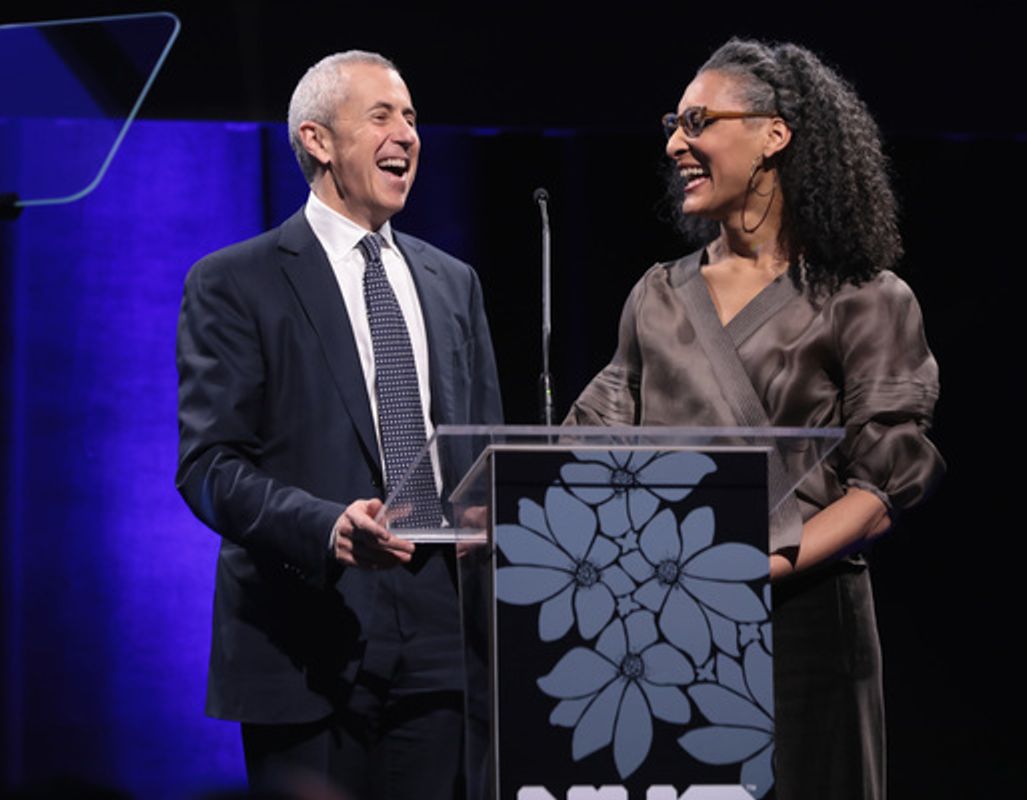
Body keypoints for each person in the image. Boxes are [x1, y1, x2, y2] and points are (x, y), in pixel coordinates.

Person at [565, 39, 944, 799]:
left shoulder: (866, 296)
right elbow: (586, 445)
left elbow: (881, 490)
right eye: (674, 122)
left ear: (774, 135)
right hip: (667, 624)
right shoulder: (658, 295)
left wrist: (752, 565)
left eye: (699, 120)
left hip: (803, 623)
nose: (676, 142)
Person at [175, 50, 502, 800]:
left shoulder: (454, 284)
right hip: (305, 633)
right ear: (318, 140)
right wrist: (328, 529)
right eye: (382, 115)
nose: (407, 135)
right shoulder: (235, 281)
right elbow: (210, 466)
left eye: (413, 118)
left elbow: (483, 450)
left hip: (440, 633)